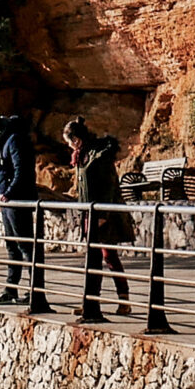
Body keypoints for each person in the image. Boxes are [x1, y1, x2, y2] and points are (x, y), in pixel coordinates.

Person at [65, 118, 133, 316]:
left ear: (76, 140)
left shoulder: (98, 156)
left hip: (104, 215)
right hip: (91, 213)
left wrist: (102, 215)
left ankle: (123, 301)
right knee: (93, 259)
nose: (68, 146)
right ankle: (91, 301)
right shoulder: (83, 156)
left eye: (69, 142)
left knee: (108, 257)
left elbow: (108, 187)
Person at [0, 110, 38, 304]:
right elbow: (0, 172)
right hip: (7, 202)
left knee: (25, 246)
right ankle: (11, 289)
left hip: (17, 201)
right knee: (12, 246)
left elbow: (21, 170)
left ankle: (34, 289)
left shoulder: (13, 140)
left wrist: (9, 192)